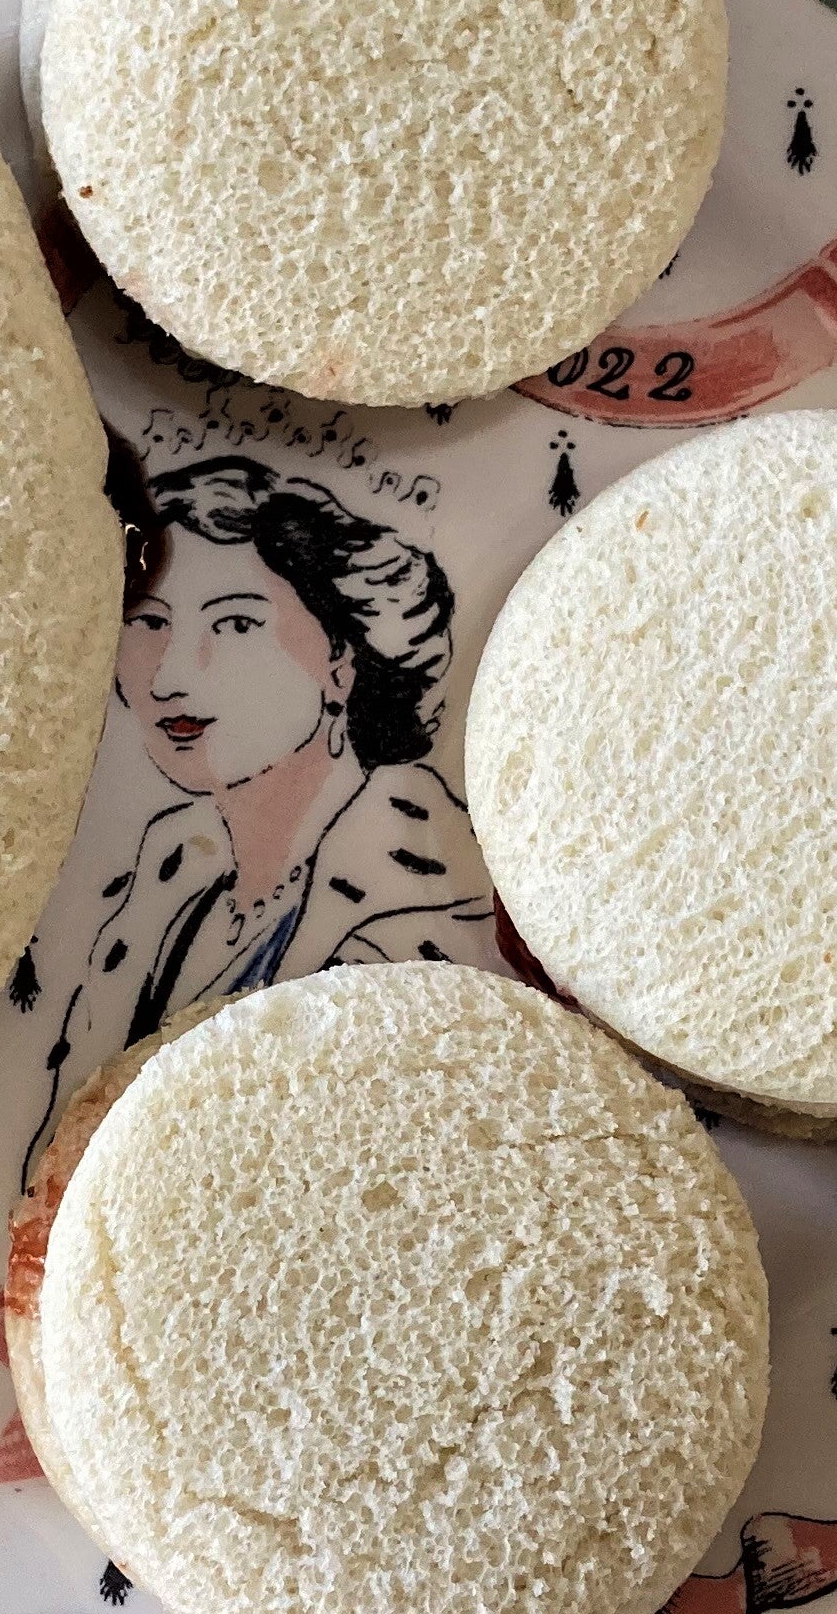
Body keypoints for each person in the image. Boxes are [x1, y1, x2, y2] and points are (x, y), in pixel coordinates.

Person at [26, 454, 500, 1168]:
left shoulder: (434, 912)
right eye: (149, 623)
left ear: (343, 657)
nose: (172, 674)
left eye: (238, 623)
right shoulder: (166, 875)